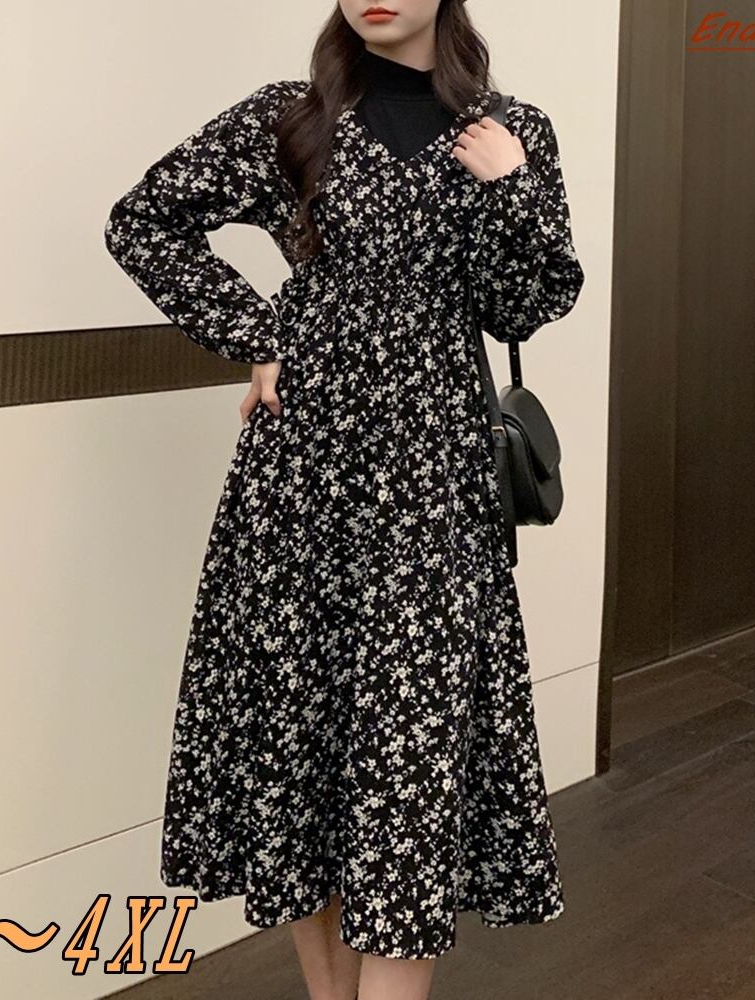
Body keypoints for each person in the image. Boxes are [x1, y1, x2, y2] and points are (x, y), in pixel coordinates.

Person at [104, 1, 585, 997]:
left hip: (434, 480)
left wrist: (513, 187)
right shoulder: (291, 116)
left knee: (411, 758)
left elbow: (525, 305)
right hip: (303, 472)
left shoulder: (511, 130)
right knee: (306, 738)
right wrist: (255, 333)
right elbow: (142, 221)